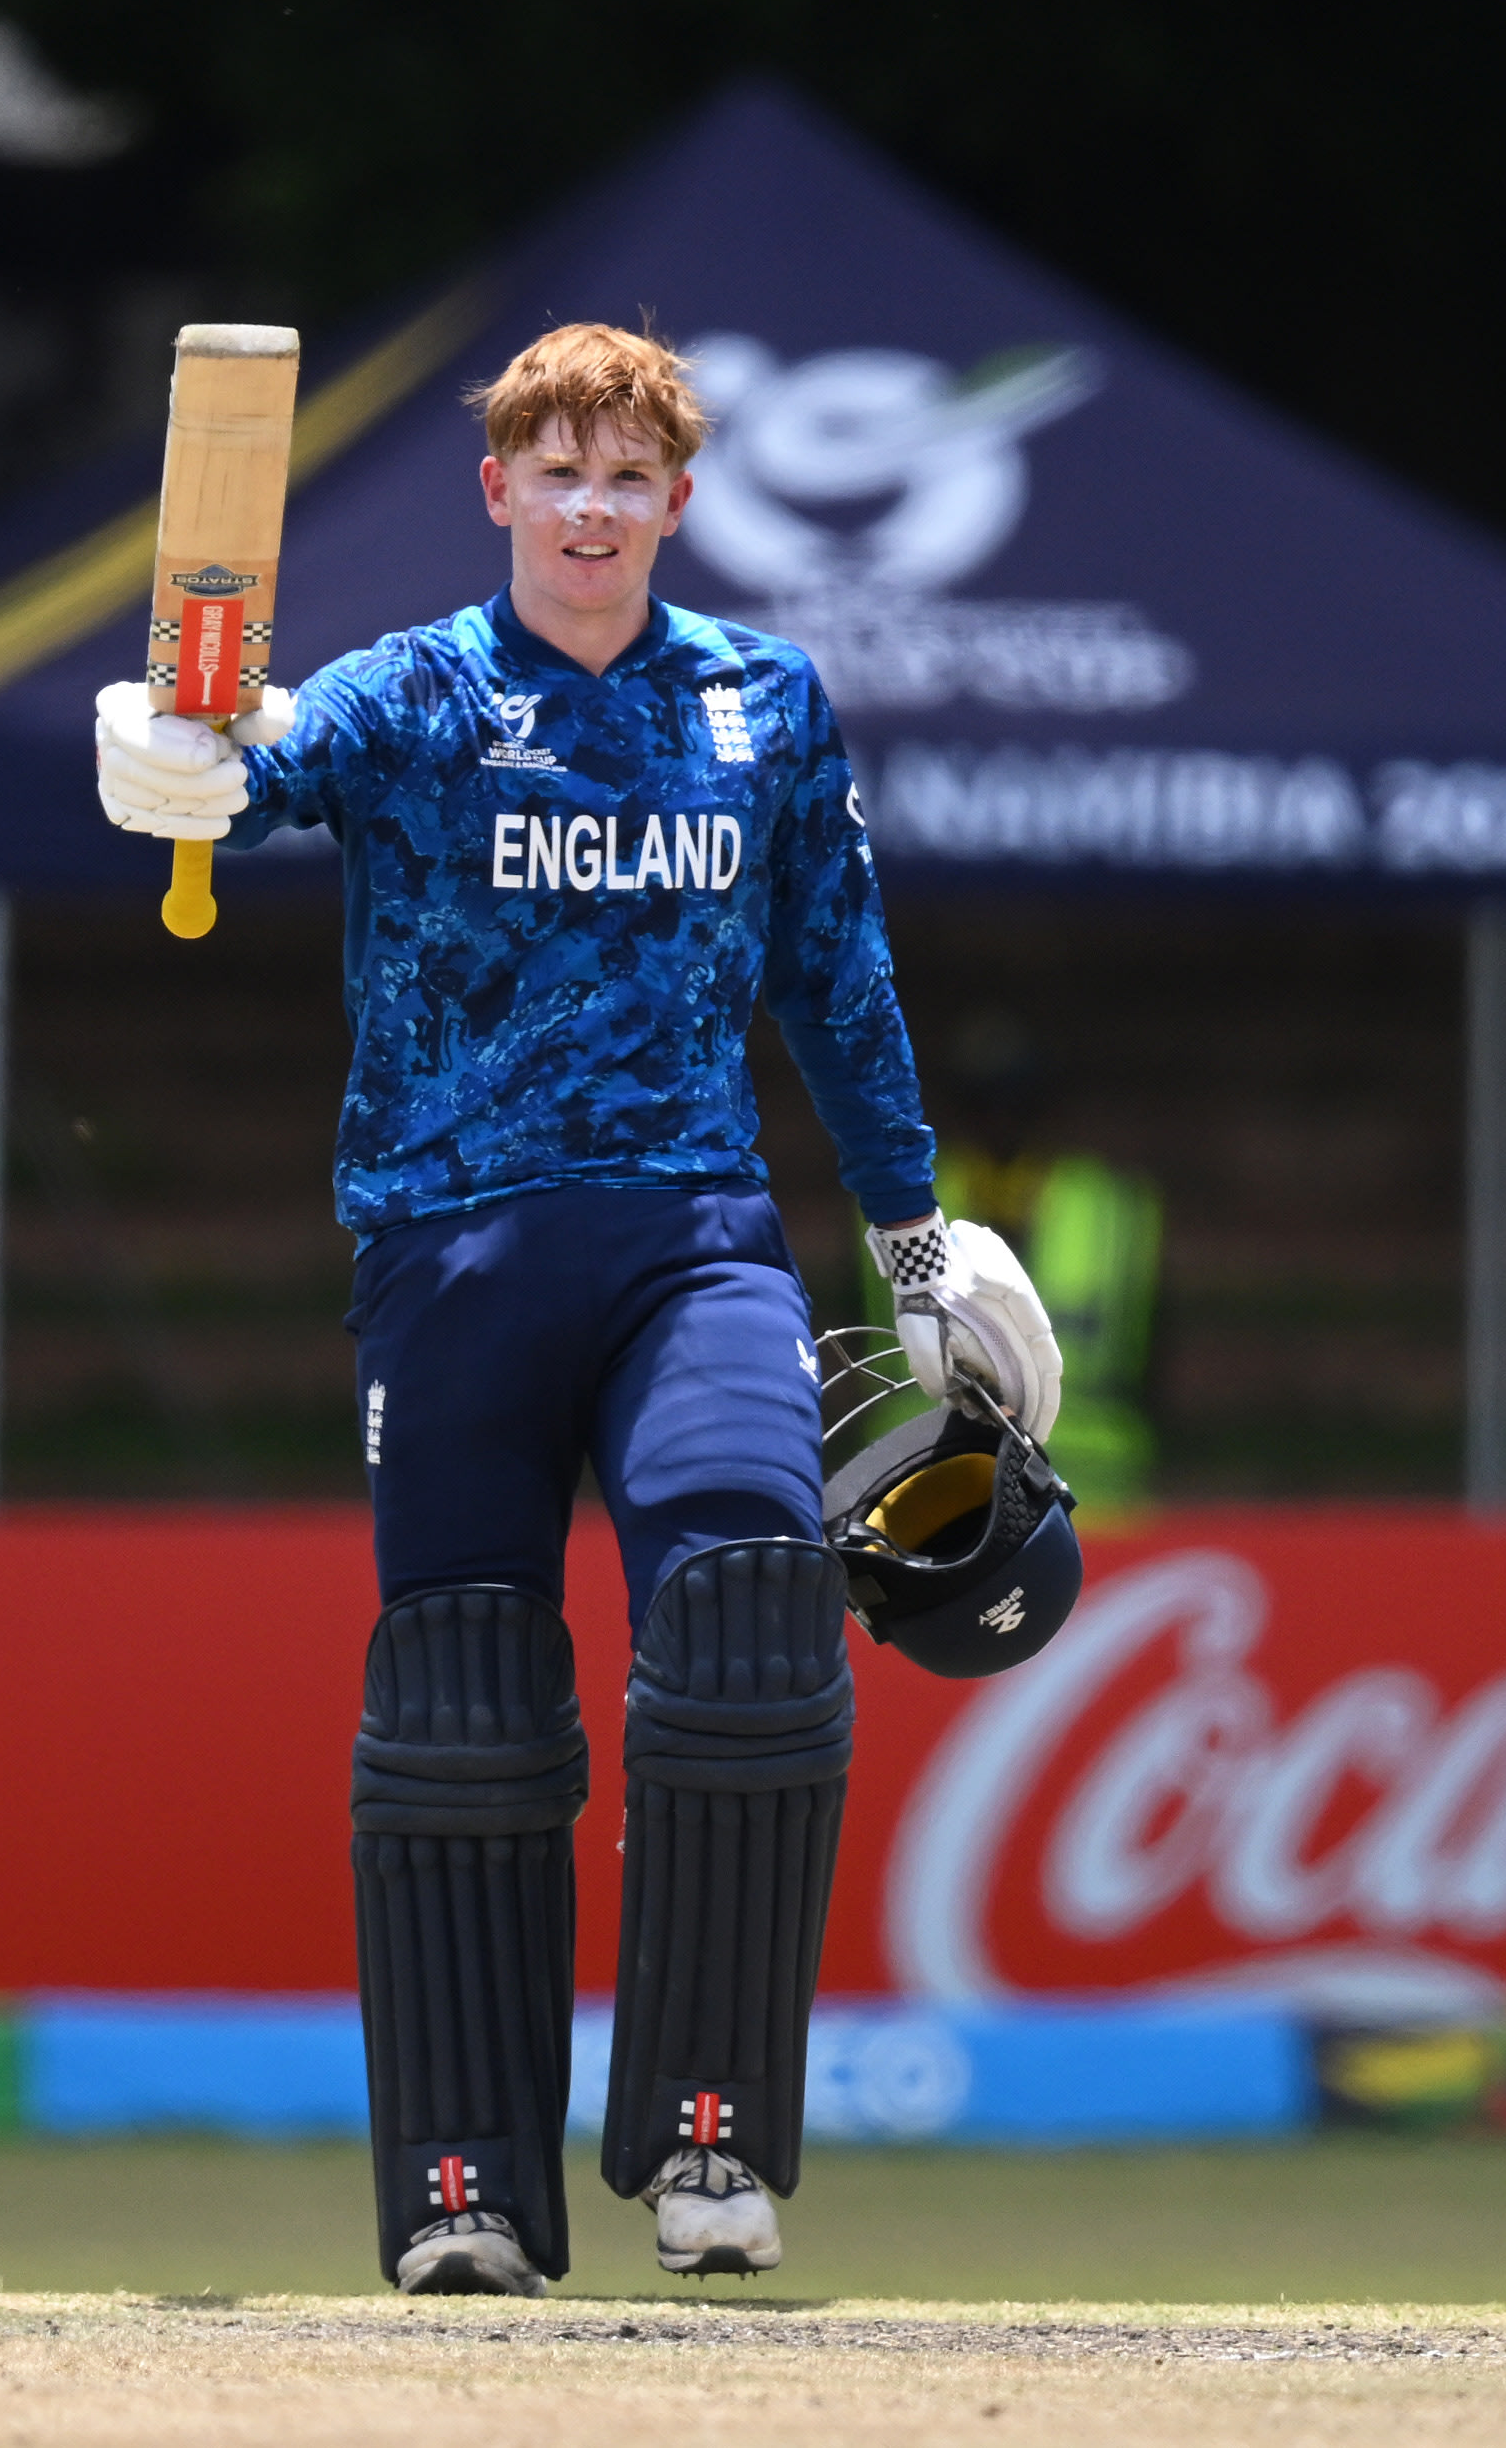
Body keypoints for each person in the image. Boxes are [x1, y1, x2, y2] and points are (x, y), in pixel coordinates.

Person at [87, 322, 1062, 2297]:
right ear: (500, 491)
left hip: (692, 1242)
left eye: (629, 478)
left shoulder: (762, 703)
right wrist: (176, 761)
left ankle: (711, 2136)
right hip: (447, 1255)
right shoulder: (417, 692)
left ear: (680, 503)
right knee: (462, 1696)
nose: (593, 509)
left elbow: (839, 979)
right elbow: (257, 771)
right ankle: (464, 2188)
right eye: (560, 473)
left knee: (753, 1602)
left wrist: (908, 1240)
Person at [859, 1013, 1161, 1521]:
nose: (1001, 1123)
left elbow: (1152, 1370)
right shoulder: (901, 1210)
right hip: (932, 1485)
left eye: (1016, 1107)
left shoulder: (1110, 1209)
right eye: (984, 1107)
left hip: (1090, 1500)